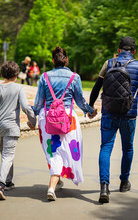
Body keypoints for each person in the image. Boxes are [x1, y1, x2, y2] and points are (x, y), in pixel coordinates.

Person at [31, 46, 97, 201]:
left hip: (47, 119)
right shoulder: (74, 77)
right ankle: (52, 187)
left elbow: (39, 102)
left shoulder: (44, 77)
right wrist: (90, 111)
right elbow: (80, 101)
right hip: (68, 119)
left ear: (53, 61)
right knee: (67, 150)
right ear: (66, 60)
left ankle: (56, 181)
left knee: (53, 151)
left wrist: (32, 115)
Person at [89, 36, 138, 203]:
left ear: (119, 49)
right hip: (129, 114)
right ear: (134, 51)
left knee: (106, 147)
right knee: (127, 148)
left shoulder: (108, 63)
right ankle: (124, 182)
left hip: (109, 112)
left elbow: (96, 87)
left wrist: (91, 105)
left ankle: (104, 187)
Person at [0, 61, 36, 200]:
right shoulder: (19, 88)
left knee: (6, 155)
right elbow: (26, 107)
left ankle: (8, 181)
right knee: (7, 156)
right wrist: (33, 122)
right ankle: (0, 185)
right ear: (16, 75)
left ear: (2, 74)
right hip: (11, 127)